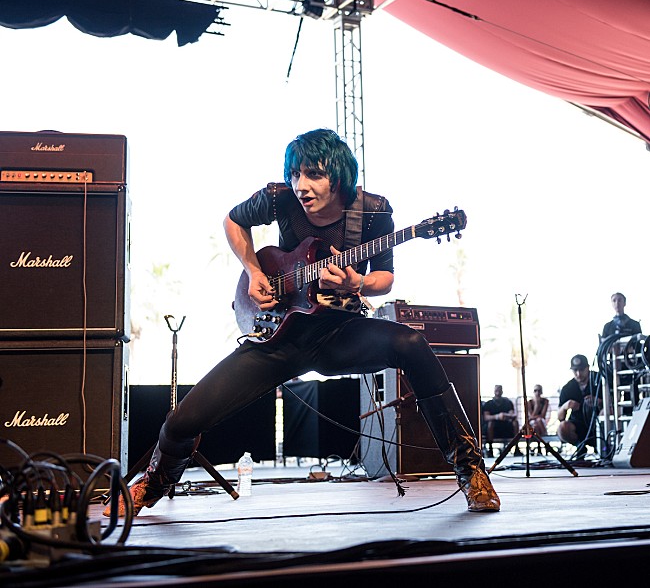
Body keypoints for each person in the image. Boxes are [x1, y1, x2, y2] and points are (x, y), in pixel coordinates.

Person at [111, 128, 500, 514]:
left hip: (337, 334)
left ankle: (471, 472)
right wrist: (253, 272)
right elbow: (232, 221)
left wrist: (358, 281)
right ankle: (153, 484)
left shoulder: (373, 212)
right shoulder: (279, 200)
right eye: (295, 174)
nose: (300, 185)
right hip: (277, 338)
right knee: (182, 422)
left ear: (339, 175)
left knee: (412, 345)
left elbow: (384, 279)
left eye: (313, 174)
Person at [557, 354, 603, 458]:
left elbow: (613, 405)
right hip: (579, 425)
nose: (578, 374)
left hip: (598, 424)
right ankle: (580, 446)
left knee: (605, 413)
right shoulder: (568, 388)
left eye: (582, 370)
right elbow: (560, 417)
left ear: (588, 368)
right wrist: (565, 406)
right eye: (575, 370)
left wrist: (599, 402)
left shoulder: (600, 380)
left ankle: (603, 447)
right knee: (562, 428)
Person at [482, 384, 520, 456]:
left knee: (515, 422)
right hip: (494, 428)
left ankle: (517, 448)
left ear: (502, 391)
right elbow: (486, 417)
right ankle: (490, 449)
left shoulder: (508, 402)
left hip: (506, 427)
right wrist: (497, 417)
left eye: (499, 390)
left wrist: (504, 415)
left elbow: (512, 415)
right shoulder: (488, 404)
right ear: (494, 391)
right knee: (490, 423)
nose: (498, 392)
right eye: (496, 390)